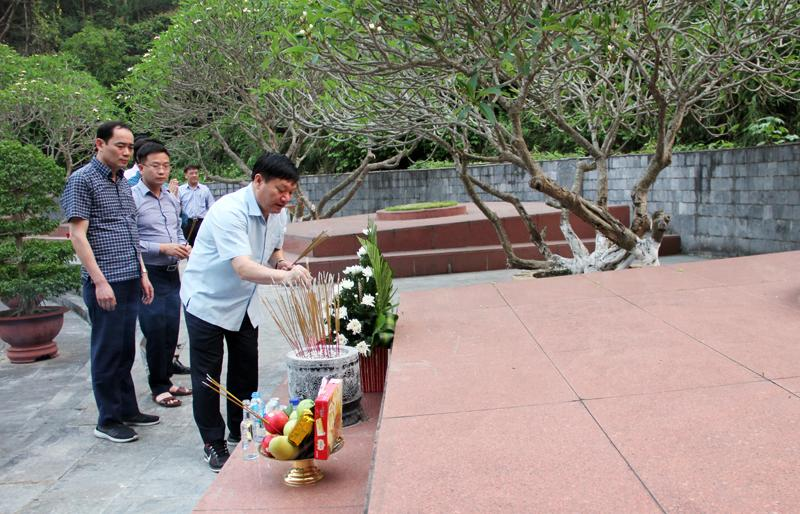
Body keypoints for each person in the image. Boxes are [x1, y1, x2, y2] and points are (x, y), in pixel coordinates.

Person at [180, 153, 311, 472]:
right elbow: (241, 266)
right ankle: (213, 442)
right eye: (281, 190)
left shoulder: (278, 213)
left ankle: (240, 430)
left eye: (291, 192)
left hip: (243, 305)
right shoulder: (229, 211)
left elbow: (273, 249)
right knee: (209, 377)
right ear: (258, 181)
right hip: (207, 302)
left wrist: (281, 262)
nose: (286, 198)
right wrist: (285, 278)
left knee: (244, 372)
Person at [61, 121, 158, 443]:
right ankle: (107, 419)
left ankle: (127, 408)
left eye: (130, 147)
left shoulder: (121, 183)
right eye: (120, 146)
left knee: (125, 348)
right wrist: (99, 281)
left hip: (130, 276)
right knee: (106, 351)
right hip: (106, 280)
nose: (126, 152)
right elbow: (78, 235)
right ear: (99, 144)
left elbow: (132, 232)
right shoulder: (82, 180)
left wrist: (143, 273)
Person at [131, 141, 193, 408]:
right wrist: (162, 248)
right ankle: (157, 386)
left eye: (166, 166)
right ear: (141, 166)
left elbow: (177, 230)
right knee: (155, 329)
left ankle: (166, 379)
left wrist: (182, 245)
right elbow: (131, 241)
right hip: (149, 273)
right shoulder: (131, 197)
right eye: (155, 166)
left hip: (172, 273)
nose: (162, 171)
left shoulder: (170, 198)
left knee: (171, 329)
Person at [178, 165, 215, 246]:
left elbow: (212, 206)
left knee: (202, 246)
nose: (194, 175)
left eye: (196, 173)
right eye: (191, 173)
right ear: (186, 175)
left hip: (201, 222)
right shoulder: (180, 190)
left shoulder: (205, 189)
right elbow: (177, 207)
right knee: (188, 248)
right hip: (187, 223)